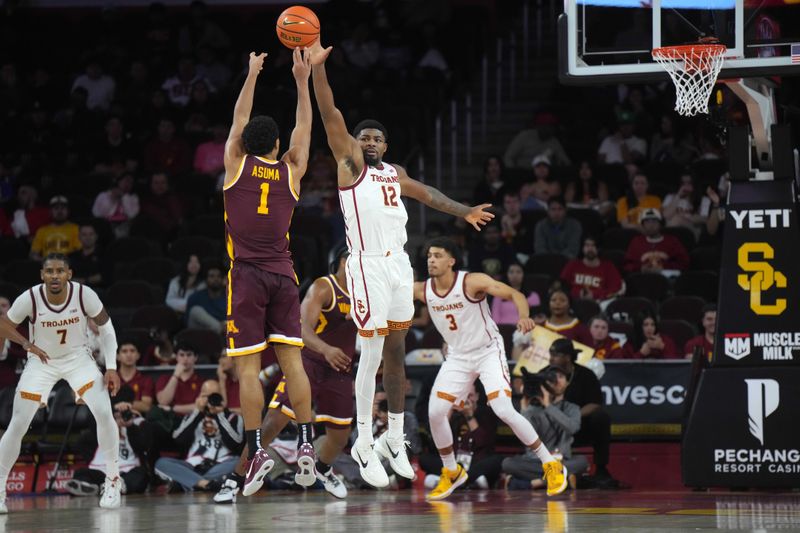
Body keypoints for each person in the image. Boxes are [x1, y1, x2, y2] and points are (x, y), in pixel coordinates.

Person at [310, 40, 494, 489]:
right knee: (369, 353)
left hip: (397, 267)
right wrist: (317, 70)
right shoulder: (349, 164)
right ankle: (363, 440)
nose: (369, 142)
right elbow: (329, 111)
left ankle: (394, 437)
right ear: (355, 143)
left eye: (377, 138)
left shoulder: (395, 174)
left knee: (395, 352)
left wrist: (465, 211)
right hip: (367, 266)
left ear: (386, 145)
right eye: (364, 137)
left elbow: (430, 195)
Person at [221, 49, 317, 496]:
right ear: (277, 146)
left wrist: (252, 74)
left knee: (247, 371)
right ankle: (305, 444)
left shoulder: (235, 164)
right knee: (292, 363)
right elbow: (305, 126)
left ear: (244, 144)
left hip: (246, 277)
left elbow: (240, 117)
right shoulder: (292, 170)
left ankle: (256, 449)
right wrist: (302, 79)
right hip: (284, 275)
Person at [414, 238, 566, 500]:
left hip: (487, 351)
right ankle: (452, 471)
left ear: (452, 261)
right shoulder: (421, 289)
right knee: (436, 412)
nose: (431, 260)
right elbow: (387, 296)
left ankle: (550, 463)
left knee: (503, 409)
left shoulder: (471, 281)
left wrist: (524, 315)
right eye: (429, 255)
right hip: (458, 356)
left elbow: (514, 294)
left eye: (438, 255)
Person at [213, 248, 357, 502]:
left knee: (340, 436)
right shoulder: (324, 287)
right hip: (309, 364)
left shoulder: (364, 293)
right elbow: (299, 329)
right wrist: (326, 349)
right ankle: (234, 480)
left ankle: (322, 469)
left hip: (340, 370)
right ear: (344, 261)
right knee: (271, 425)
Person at [0, 253, 123, 511]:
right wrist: (26, 343)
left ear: (69, 273)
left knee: (103, 411)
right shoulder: (30, 297)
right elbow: (3, 325)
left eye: (59, 271)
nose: (54, 276)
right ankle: (0, 486)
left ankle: (112, 479)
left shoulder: (84, 294)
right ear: (42, 275)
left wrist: (111, 367)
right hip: (41, 363)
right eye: (49, 272)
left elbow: (107, 328)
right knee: (19, 423)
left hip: (78, 359)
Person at [502, 366, 588, 488]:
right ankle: (560, 480)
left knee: (582, 462)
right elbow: (525, 435)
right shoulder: (533, 409)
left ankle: (532, 483)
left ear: (567, 383)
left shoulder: (572, 408)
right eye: (552, 378)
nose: (556, 381)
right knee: (508, 464)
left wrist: (548, 406)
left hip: (561, 460)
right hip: (536, 461)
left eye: (561, 377)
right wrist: (524, 409)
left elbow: (573, 427)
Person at [548, 338, 618, 488]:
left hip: (579, 426)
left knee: (601, 417)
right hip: (551, 428)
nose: (551, 358)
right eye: (550, 354)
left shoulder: (586, 375)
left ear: (567, 357)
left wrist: (573, 417)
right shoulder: (544, 374)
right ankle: (540, 465)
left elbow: (595, 403)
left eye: (556, 355)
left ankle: (600, 468)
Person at [155, 380, 243, 492]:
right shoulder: (192, 416)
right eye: (206, 396)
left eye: (214, 396)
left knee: (238, 463)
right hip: (192, 466)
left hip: (221, 464)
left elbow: (236, 443)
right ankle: (206, 484)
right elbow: (178, 439)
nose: (209, 400)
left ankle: (187, 483)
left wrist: (220, 414)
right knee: (161, 463)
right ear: (200, 396)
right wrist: (198, 412)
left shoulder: (234, 417)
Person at [66, 386, 152, 497]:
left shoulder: (138, 423)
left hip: (127, 470)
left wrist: (130, 427)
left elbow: (143, 447)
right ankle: (89, 486)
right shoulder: (102, 422)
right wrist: (111, 412)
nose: (119, 415)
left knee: (141, 475)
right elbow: (91, 422)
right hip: (103, 470)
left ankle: (118, 486)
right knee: (81, 473)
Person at [623, 208, 689, 274]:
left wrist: (664, 267)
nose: (651, 225)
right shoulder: (636, 242)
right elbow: (627, 265)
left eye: (654, 221)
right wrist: (640, 268)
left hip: (667, 279)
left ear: (660, 224)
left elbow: (684, 263)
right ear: (642, 225)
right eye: (647, 222)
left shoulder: (672, 241)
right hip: (642, 278)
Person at [560, 237, 624, 302]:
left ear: (598, 248)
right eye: (587, 245)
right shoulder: (572, 265)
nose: (590, 249)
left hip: (600, 303)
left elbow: (616, 289)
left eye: (593, 245)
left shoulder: (608, 267)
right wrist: (578, 293)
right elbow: (562, 286)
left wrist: (594, 294)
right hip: (574, 302)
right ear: (582, 248)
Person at [154, 343, 203, 415]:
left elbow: (201, 406)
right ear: (176, 357)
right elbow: (163, 402)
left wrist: (172, 409)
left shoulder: (202, 382)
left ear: (195, 358)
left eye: (189, 355)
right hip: (170, 420)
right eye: (182, 355)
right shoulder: (164, 379)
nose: (185, 358)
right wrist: (176, 375)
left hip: (193, 418)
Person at [29, 196, 80, 261]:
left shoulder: (75, 229)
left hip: (68, 266)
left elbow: (80, 252)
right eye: (56, 208)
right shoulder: (42, 231)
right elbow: (33, 254)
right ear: (50, 212)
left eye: (63, 208)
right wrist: (43, 261)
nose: (59, 211)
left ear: (68, 211)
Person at [91, 173, 140, 238]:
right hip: (106, 224)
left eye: (131, 183)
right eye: (126, 181)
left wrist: (124, 197)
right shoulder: (103, 195)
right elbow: (97, 214)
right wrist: (112, 199)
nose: (128, 184)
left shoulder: (134, 198)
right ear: (119, 181)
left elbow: (131, 214)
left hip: (124, 226)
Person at [116, 339, 155, 414]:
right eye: (124, 351)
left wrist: (126, 405)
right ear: (117, 356)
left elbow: (146, 406)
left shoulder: (146, 380)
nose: (129, 355)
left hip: (137, 419)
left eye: (132, 351)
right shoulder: (110, 379)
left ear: (138, 355)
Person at [185, 263, 226, 334]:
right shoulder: (195, 297)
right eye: (212, 276)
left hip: (223, 333)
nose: (215, 279)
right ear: (206, 280)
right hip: (200, 332)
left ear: (222, 279)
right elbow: (187, 321)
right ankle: (219, 328)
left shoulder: (229, 297)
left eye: (219, 276)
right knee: (195, 310)